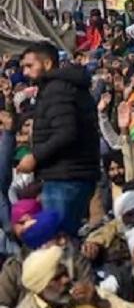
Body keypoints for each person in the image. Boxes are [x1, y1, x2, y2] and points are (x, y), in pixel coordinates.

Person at [19, 42, 101, 237]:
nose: (25, 72)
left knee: (57, 242)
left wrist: (35, 157)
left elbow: (65, 133)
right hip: (68, 174)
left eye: (30, 66)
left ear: (47, 64)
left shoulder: (58, 89)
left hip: (65, 177)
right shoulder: (58, 87)